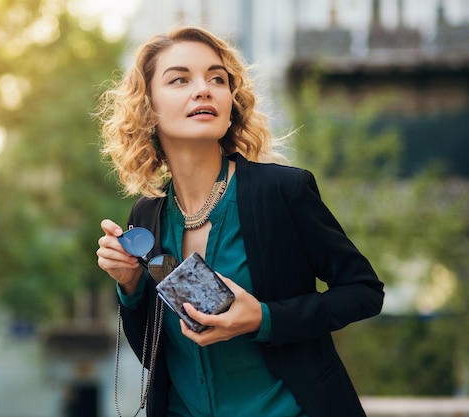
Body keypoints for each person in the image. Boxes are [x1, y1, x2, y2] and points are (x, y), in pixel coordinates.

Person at [96, 26, 384, 417]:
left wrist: (263, 318)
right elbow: (155, 355)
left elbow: (364, 291)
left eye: (217, 78)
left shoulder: (283, 192)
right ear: (147, 107)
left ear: (231, 101)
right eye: (180, 79)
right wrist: (129, 286)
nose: (205, 89)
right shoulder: (148, 214)